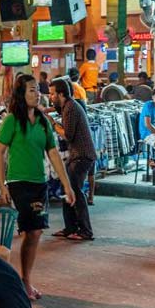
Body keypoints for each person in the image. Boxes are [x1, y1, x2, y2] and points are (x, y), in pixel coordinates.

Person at [0, 74, 75, 301]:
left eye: (37, 89)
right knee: (27, 231)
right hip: (18, 183)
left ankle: (25, 280)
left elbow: (52, 152)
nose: (37, 93)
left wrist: (67, 185)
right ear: (21, 94)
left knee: (36, 232)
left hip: (39, 183)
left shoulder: (41, 120)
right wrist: (2, 186)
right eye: (31, 90)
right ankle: (19, 282)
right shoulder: (11, 121)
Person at [50, 79, 95, 241]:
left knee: (75, 191)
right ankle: (70, 227)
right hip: (76, 156)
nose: (51, 97)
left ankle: (85, 231)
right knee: (66, 190)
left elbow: (68, 135)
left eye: (53, 94)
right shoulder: (68, 106)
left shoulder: (70, 108)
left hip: (81, 156)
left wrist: (53, 124)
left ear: (61, 94)